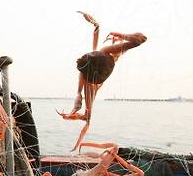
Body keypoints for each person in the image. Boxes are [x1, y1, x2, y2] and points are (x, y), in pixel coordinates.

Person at [58, 11, 147, 150]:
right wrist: (119, 34)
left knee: (86, 113)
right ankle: (77, 143)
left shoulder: (88, 80)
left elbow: (140, 39)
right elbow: (139, 39)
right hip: (99, 70)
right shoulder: (104, 56)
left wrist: (72, 113)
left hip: (96, 73)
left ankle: (77, 143)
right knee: (86, 114)